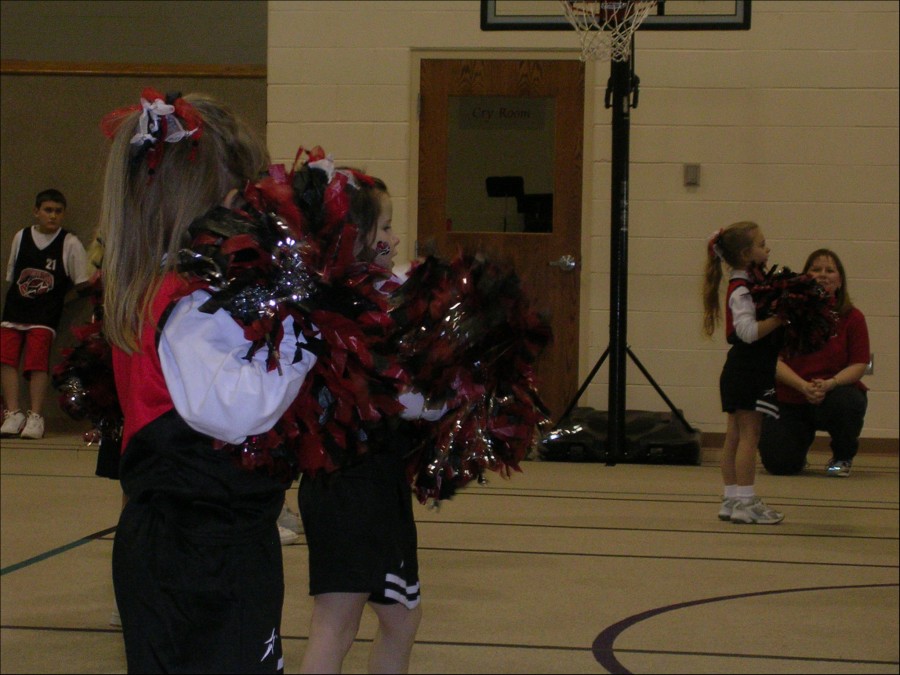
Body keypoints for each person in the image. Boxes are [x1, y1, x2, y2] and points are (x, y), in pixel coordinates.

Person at [98, 89, 317, 673]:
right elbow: (239, 410)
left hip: (209, 544)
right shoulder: (185, 304)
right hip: (201, 555)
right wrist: (307, 334)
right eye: (241, 199)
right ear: (202, 204)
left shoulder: (174, 292)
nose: (255, 213)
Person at [297, 171, 443, 674]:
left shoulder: (361, 298)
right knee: (336, 623)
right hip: (350, 483)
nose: (394, 239)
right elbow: (396, 400)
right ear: (354, 238)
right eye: (384, 229)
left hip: (370, 482)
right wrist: (445, 397)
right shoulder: (345, 309)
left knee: (401, 618)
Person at [759, 249, 869, 477]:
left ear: (840, 281)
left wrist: (830, 384)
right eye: (816, 269)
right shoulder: (786, 315)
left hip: (833, 394)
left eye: (830, 270)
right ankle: (797, 453)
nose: (823, 275)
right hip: (792, 396)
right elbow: (773, 361)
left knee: (848, 402)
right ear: (804, 277)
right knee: (779, 465)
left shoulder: (853, 317)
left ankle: (841, 459)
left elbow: (860, 364)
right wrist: (802, 386)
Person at [703, 221, 785, 525]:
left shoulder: (746, 285)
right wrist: (781, 317)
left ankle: (732, 498)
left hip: (741, 369)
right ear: (745, 253)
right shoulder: (742, 290)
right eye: (762, 244)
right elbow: (747, 332)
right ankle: (745, 500)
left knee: (736, 435)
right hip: (748, 369)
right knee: (749, 434)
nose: (768, 249)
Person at [1, 189, 90, 439]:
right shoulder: (21, 237)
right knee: (6, 359)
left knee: (36, 362)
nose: (52, 216)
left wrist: (62, 301)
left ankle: (36, 415)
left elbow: (82, 283)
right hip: (15, 309)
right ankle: (13, 412)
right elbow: (13, 275)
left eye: (58, 211)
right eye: (47, 210)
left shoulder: (69, 243)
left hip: (44, 315)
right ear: (36, 212)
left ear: (63, 214)